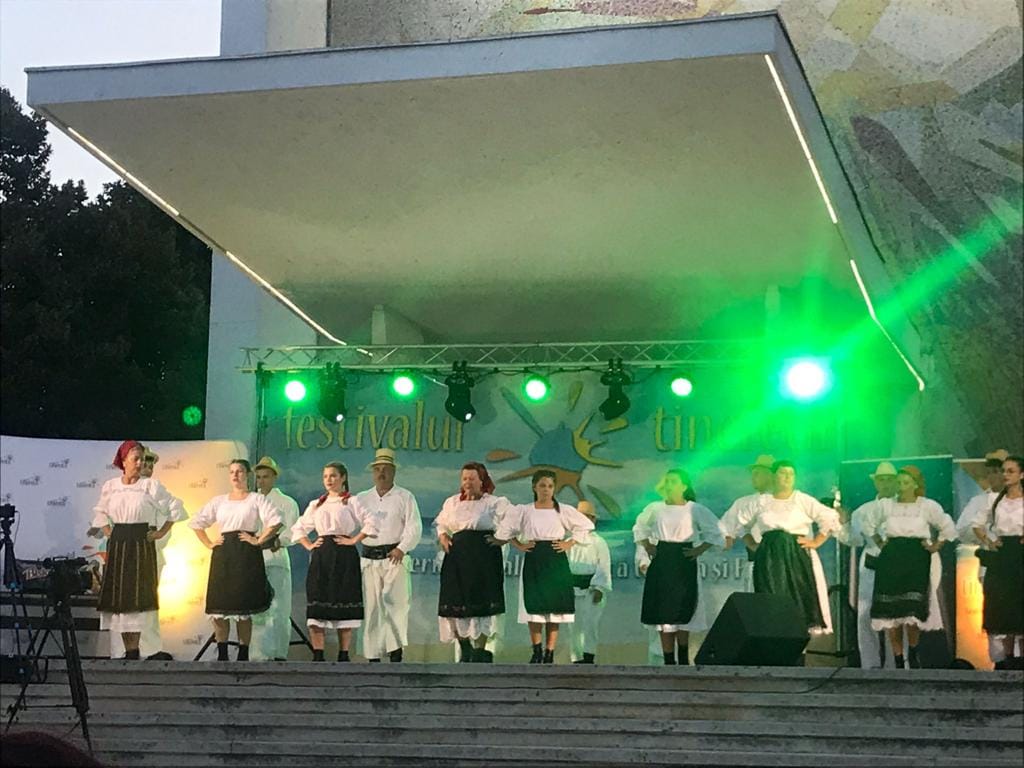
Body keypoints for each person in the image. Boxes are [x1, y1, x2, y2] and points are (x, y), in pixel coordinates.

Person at [92, 440, 183, 660]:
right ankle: (129, 651)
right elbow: (101, 512)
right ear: (124, 461)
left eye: (142, 459)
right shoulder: (111, 486)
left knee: (138, 597)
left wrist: (160, 532)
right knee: (122, 598)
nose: (140, 463)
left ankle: (140, 650)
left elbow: (175, 507)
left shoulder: (150, 486)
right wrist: (110, 532)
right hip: (120, 543)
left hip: (141, 544)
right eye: (136, 459)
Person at [494, 469, 593, 664]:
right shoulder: (525, 510)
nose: (546, 490)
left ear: (554, 488)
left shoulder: (562, 510)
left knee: (555, 607)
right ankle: (537, 650)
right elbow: (505, 530)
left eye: (550, 486)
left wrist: (569, 543)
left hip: (555, 558)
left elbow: (585, 526)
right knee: (534, 605)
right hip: (535, 556)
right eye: (542, 485)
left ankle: (550, 652)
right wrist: (519, 545)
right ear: (534, 487)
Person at [863, 465, 957, 669]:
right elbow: (868, 524)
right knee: (891, 612)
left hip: (916, 558)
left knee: (911, 609)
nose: (901, 486)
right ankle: (898, 658)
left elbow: (946, 525)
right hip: (892, 557)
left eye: (906, 482)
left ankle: (913, 652)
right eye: (899, 482)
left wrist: (936, 545)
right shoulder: (886, 505)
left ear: (915, 485)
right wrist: (880, 542)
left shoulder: (926, 506)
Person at [189, 459, 283, 661]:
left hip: (246, 554)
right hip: (224, 555)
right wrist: (209, 543)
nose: (235, 475)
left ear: (247, 474)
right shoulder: (219, 501)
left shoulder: (256, 499)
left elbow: (276, 521)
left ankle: (243, 654)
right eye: (232, 471)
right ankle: (222, 653)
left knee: (243, 607)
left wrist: (258, 539)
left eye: (239, 471)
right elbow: (197, 522)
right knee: (219, 606)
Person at [735, 460, 839, 636]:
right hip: (769, 558)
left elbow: (829, 518)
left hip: (796, 556)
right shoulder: (762, 502)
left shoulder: (801, 499)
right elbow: (739, 524)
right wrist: (752, 544)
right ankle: (776, 647)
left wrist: (816, 541)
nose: (787, 477)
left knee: (799, 600)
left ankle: (800, 649)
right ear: (773, 476)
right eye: (783, 473)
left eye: (791, 474)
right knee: (772, 601)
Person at [634, 468, 723, 665]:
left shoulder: (694, 509)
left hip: (683, 561)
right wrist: (647, 545)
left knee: (684, 607)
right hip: (663, 559)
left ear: (684, 486)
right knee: (664, 611)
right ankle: (668, 661)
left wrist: (699, 549)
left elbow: (716, 530)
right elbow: (640, 527)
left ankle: (683, 658)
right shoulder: (655, 508)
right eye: (667, 481)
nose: (669, 485)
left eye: (673, 481)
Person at [291, 462, 376, 662]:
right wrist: (309, 545)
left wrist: (353, 540)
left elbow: (371, 521)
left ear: (343, 477)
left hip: (344, 556)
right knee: (318, 600)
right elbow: (299, 527)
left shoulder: (352, 501)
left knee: (344, 600)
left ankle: (343, 654)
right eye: (325, 476)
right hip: (322, 556)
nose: (328, 480)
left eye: (333, 476)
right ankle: (318, 654)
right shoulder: (317, 504)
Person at [435, 462, 510, 662]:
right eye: (465, 478)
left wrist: (501, 539)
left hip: (484, 557)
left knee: (483, 600)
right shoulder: (452, 502)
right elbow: (441, 523)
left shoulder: (494, 502)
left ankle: (480, 649)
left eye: (472, 478)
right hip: (457, 555)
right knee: (455, 599)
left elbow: (512, 521)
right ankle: (464, 646)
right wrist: (443, 536)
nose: (467, 482)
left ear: (481, 480)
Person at [356, 449, 422, 663]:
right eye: (377, 469)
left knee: (397, 605)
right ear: (373, 472)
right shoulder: (362, 498)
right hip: (369, 559)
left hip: (394, 557)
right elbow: (350, 524)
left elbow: (414, 527)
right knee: (372, 607)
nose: (381, 473)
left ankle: (395, 651)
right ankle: (373, 655)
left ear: (393, 472)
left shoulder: (405, 497)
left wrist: (402, 547)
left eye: (385, 469)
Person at [834, 461, 897, 669]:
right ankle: (870, 665)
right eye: (881, 480)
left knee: (896, 615)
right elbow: (852, 539)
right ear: (876, 483)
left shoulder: (906, 508)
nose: (885, 483)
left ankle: (897, 665)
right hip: (872, 562)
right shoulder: (864, 511)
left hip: (898, 564)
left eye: (889, 480)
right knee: (866, 614)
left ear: (896, 482)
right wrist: (844, 523)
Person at [968, 455, 1023, 667]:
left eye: (1010, 471)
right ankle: (1008, 658)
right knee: (1004, 604)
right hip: (1003, 555)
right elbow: (976, 524)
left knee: (1020, 602)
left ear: (1021, 474)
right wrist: (989, 542)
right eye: (1003, 471)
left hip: (1021, 554)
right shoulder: (994, 500)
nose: (1005, 475)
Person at [250, 456, 301, 661]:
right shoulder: (251, 501)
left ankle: (279, 653)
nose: (261, 481)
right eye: (259, 477)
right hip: (254, 559)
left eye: (265, 477)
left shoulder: (287, 503)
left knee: (279, 607)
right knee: (256, 608)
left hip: (276, 556)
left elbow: (293, 530)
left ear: (274, 477)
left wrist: (278, 540)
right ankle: (256, 653)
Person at [719, 454, 775, 592]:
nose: (753, 478)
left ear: (770, 475)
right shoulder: (743, 503)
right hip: (755, 563)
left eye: (757, 474)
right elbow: (724, 528)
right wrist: (728, 537)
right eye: (752, 474)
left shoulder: (787, 502)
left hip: (782, 564)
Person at [567, 500, 612, 664]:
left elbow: (604, 566)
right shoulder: (569, 541)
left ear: (592, 520)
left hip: (592, 590)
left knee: (590, 624)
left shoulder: (599, 542)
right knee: (573, 625)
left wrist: (599, 587)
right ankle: (576, 657)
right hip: (572, 588)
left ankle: (588, 655)